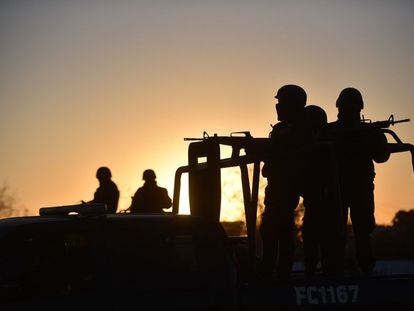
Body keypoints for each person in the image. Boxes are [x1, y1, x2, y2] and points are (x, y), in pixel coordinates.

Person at [328, 87, 390, 275]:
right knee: (336, 232)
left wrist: (374, 136)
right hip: (336, 187)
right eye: (345, 107)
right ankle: (335, 269)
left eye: (350, 107)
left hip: (359, 188)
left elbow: (381, 156)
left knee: (362, 231)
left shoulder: (367, 131)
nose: (346, 111)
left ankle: (363, 268)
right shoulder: (330, 131)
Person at [260, 84, 310, 277]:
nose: (278, 107)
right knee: (271, 232)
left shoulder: (302, 131)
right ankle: (271, 272)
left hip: (287, 193)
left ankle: (279, 274)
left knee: (279, 233)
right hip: (275, 193)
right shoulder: (281, 130)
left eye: (282, 103)